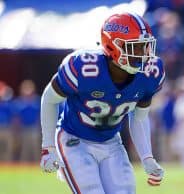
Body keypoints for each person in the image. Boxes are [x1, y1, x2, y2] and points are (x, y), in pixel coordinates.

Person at [40, 12, 165, 194]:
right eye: (135, 48)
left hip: (111, 141)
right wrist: (48, 147)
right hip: (74, 140)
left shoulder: (150, 73)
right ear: (113, 46)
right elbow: (49, 99)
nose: (143, 55)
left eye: (145, 47)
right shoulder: (84, 67)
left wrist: (147, 158)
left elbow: (138, 118)